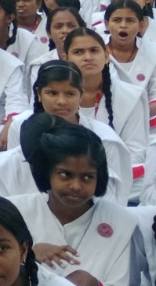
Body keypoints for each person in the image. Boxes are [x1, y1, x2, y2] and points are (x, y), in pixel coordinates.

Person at [6, 118, 144, 286]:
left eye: (88, 177)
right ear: (46, 172)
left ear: (99, 178)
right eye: (65, 174)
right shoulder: (13, 211)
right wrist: (27, 256)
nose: (76, 186)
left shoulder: (122, 222)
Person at [0, 61, 132, 204]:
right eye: (52, 93)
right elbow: (15, 173)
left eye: (70, 94)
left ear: (81, 95)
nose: (61, 101)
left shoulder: (104, 136)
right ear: (39, 93)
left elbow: (110, 192)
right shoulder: (19, 126)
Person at [59, 27, 149, 194]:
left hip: (119, 184)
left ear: (106, 56)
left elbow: (135, 153)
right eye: (79, 52)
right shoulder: (55, 97)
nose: (88, 57)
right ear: (65, 58)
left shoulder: (130, 96)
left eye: (94, 51)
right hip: (66, 183)